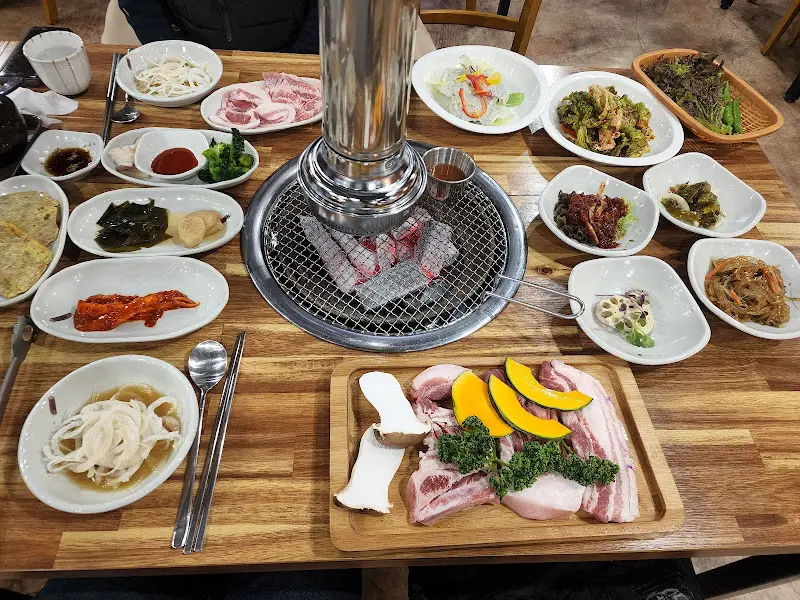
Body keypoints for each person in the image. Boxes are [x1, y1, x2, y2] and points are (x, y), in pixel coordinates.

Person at [118, 0, 319, 54]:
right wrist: (177, 57)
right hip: (199, 63)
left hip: (294, 54)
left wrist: (301, 53)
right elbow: (141, 6)